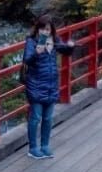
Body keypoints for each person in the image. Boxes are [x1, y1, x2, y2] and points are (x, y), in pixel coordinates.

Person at [22, 16, 74, 160]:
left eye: (48, 29)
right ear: (37, 29)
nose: (45, 32)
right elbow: (27, 59)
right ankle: (33, 148)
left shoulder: (55, 40)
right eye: (42, 29)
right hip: (36, 84)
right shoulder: (31, 41)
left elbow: (66, 52)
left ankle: (45, 145)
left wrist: (70, 46)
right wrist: (37, 52)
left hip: (51, 84)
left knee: (48, 118)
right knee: (35, 117)